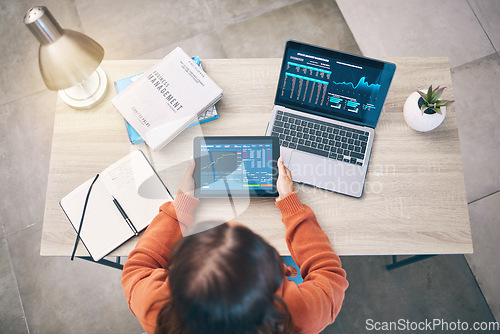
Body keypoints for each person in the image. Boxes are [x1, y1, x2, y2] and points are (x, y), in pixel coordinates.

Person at [122, 157, 348, 334]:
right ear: (269, 275)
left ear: (176, 276)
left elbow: (136, 267)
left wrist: (181, 205)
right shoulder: (297, 314)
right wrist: (291, 205)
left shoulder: (156, 309)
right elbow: (328, 275)